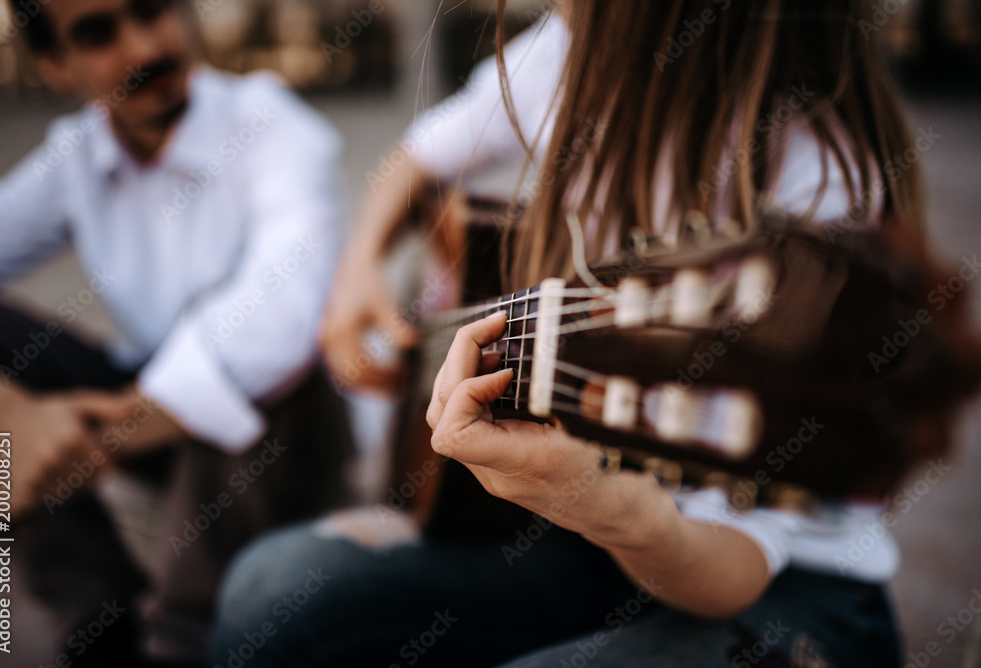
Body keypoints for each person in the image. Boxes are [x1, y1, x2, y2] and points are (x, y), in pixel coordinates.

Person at [214, 1, 924, 666]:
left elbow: (738, 569)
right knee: (269, 594)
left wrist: (606, 506)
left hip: (777, 590)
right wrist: (358, 274)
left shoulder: (825, 189)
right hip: (588, 539)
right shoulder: (576, 42)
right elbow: (417, 158)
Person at [0, 0, 351, 664]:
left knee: (268, 371)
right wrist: (8, 416)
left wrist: (49, 454)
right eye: (97, 34)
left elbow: (278, 324)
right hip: (143, 405)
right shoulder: (74, 158)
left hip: (289, 440)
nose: (144, 46)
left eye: (152, 10)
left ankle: (184, 638)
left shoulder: (273, 126)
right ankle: (98, 627)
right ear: (55, 67)